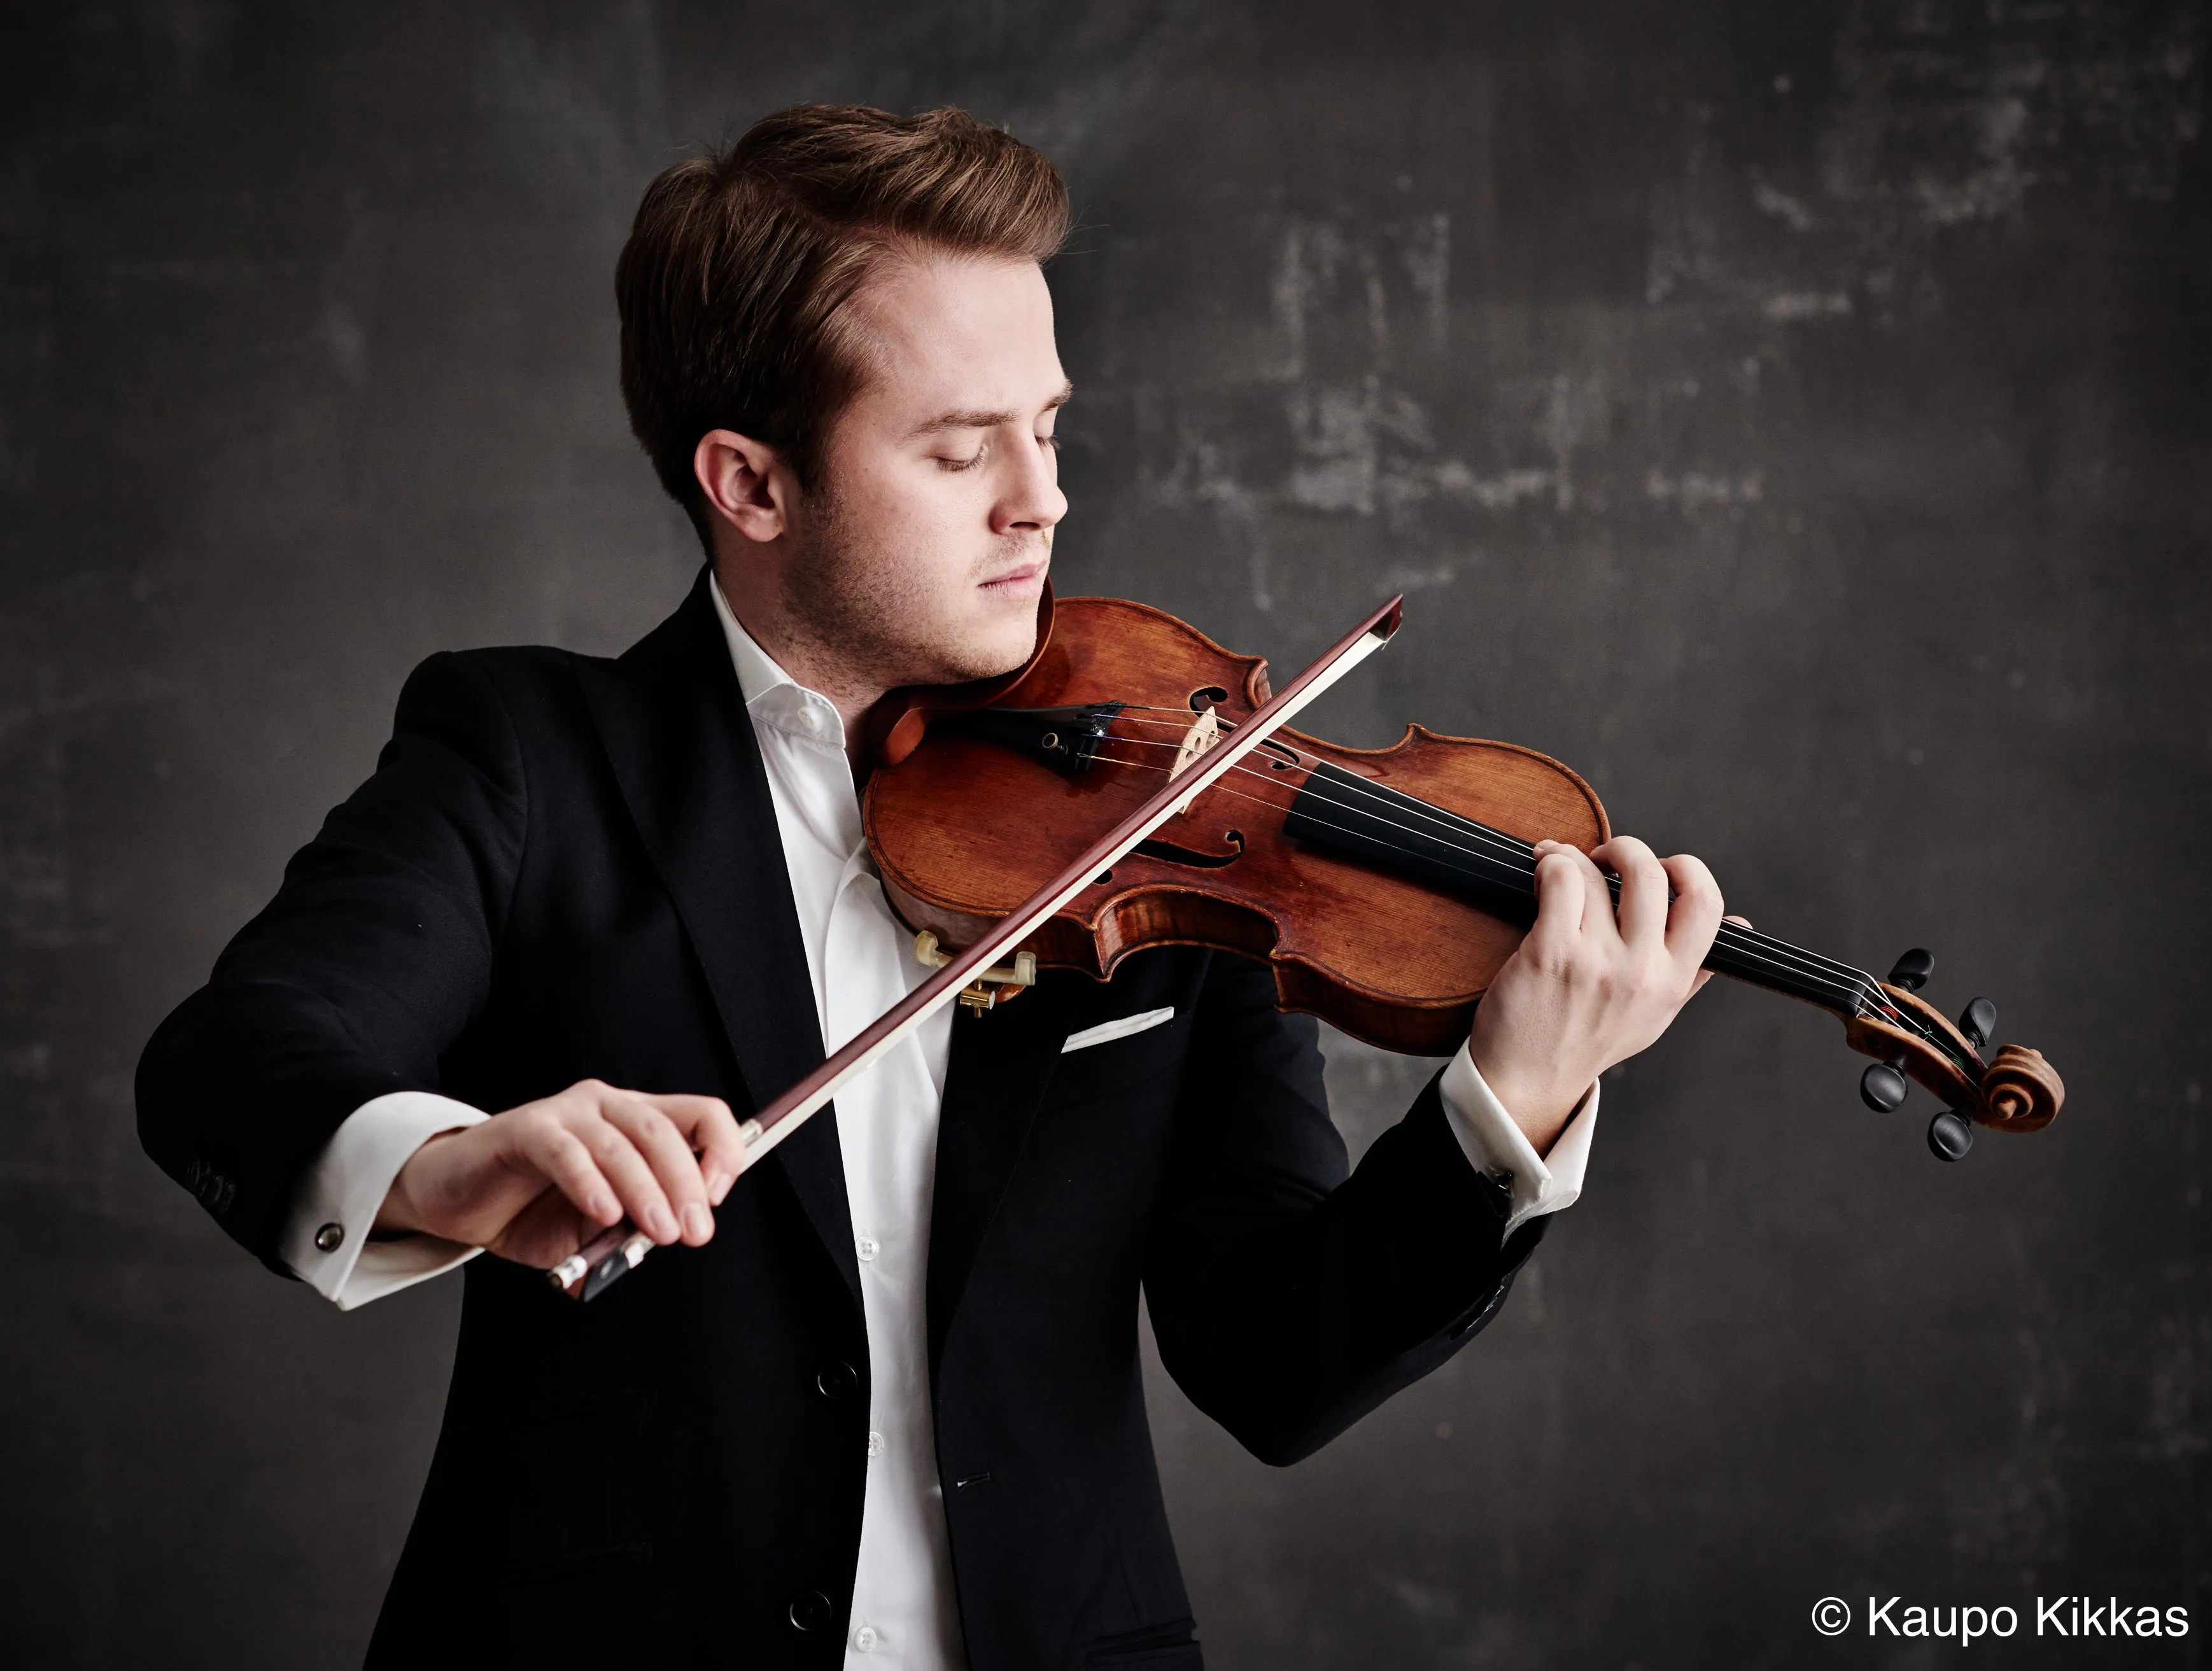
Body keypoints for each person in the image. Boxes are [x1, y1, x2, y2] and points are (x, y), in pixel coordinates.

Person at [136, 104, 1726, 1670]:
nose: (1036, 498)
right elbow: (234, 1061)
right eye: (959, 448)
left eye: (1046, 428)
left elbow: (1276, 1362)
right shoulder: (530, 755)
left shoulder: (1172, 810)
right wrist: (451, 1165)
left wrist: (1517, 1091)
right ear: (750, 485)